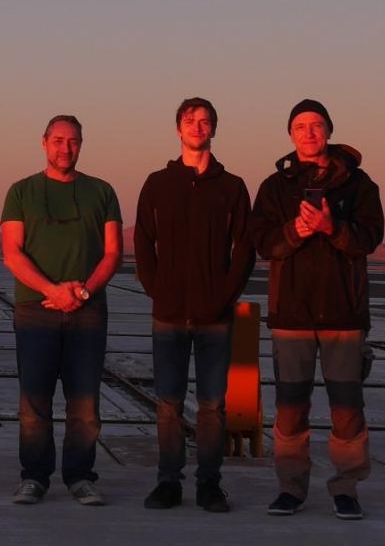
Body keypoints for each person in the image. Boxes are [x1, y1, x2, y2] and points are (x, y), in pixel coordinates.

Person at [251, 98, 384, 521]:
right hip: (291, 316)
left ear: (328, 130)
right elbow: (264, 244)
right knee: (291, 408)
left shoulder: (359, 185)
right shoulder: (275, 188)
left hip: (343, 314)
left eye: (316, 126)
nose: (308, 133)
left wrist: (332, 228)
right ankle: (291, 488)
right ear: (290, 134)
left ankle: (346, 488)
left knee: (347, 409)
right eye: (300, 127)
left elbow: (369, 239)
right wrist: (297, 230)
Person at [133, 97, 255, 514]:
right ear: (178, 128)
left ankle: (209, 485)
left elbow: (244, 249)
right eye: (190, 120)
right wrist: (157, 290)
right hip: (168, 315)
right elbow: (143, 243)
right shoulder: (156, 183)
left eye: (205, 121)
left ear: (214, 129)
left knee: (213, 405)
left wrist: (224, 295)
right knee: (167, 404)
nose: (197, 127)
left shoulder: (232, 186)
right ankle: (168, 483)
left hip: (215, 317)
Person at [0, 114, 122, 507]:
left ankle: (80, 476)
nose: (64, 148)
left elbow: (112, 252)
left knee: (84, 404)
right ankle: (34, 478)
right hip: (36, 311)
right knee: (34, 402)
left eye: (72, 141)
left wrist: (81, 293)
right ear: (44, 142)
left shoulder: (102, 191)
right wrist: (53, 290)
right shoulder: (21, 191)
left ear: (81, 144)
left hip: (87, 312)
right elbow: (12, 253)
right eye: (57, 140)